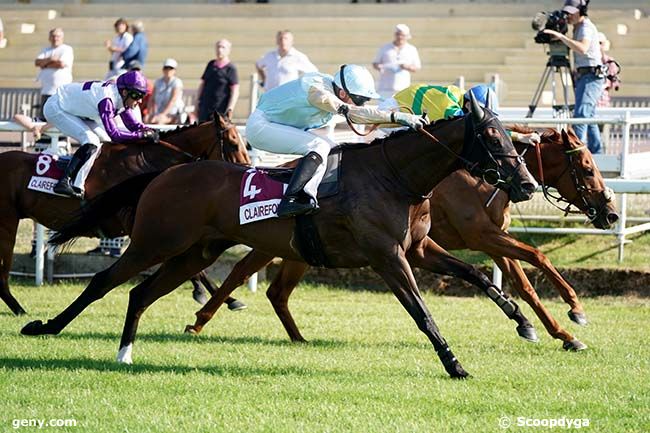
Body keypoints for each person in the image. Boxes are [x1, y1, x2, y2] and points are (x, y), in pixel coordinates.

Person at [246, 64, 426, 218]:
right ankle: (292, 199)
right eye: (358, 99)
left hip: (278, 126)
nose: (361, 104)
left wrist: (403, 120)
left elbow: (361, 113)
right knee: (319, 146)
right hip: (261, 126)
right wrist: (397, 117)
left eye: (363, 100)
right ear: (341, 92)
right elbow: (355, 114)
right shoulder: (317, 91)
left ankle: (323, 197)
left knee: (334, 149)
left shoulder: (333, 88)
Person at [43, 70, 158, 198]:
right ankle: (64, 182)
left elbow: (133, 125)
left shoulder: (121, 97)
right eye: (137, 96)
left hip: (76, 111)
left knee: (104, 140)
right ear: (125, 92)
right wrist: (141, 136)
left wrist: (150, 131)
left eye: (142, 96)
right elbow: (115, 135)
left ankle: (81, 183)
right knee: (91, 141)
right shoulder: (107, 100)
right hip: (57, 107)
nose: (140, 101)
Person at [379, 83, 540, 145]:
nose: (481, 116)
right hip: (395, 113)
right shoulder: (449, 105)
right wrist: (519, 137)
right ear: (469, 104)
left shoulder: (466, 99)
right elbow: (481, 130)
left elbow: (487, 126)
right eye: (481, 112)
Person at [543, 0, 603, 154]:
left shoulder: (585, 27)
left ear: (581, 11)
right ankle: (597, 152)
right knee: (589, 116)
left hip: (591, 75)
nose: (567, 16)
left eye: (571, 12)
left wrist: (561, 37)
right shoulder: (578, 27)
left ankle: (576, 152)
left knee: (581, 115)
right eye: (567, 12)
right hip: (585, 75)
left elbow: (582, 48)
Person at [372, 24, 421, 99]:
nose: (400, 37)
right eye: (398, 34)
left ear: (407, 36)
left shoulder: (411, 49)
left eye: (402, 35)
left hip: (402, 88)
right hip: (385, 88)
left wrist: (406, 67)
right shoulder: (385, 47)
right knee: (383, 109)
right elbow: (375, 63)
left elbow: (416, 67)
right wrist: (379, 66)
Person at [35, 28, 74, 121]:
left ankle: (62, 136)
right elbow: (37, 62)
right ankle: (44, 136)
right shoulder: (45, 49)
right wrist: (51, 59)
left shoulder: (66, 49)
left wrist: (44, 64)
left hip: (60, 91)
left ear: (62, 37)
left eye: (58, 36)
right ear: (49, 38)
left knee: (61, 118)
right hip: (46, 91)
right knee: (44, 118)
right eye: (53, 36)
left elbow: (61, 64)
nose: (55, 38)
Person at [196, 39, 239, 122]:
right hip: (205, 107)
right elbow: (202, 84)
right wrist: (196, 102)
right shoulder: (211, 64)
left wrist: (230, 109)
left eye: (223, 47)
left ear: (229, 50)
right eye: (218, 47)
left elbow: (235, 91)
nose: (220, 50)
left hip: (219, 110)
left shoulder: (231, 68)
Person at [146, 58, 185, 124]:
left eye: (171, 68)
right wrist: (150, 113)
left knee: (160, 121)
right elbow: (151, 99)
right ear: (163, 69)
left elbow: (173, 100)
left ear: (175, 70)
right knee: (146, 119)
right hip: (159, 113)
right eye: (166, 68)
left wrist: (163, 114)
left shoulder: (177, 82)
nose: (168, 70)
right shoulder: (158, 82)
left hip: (174, 114)